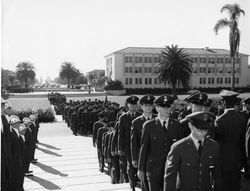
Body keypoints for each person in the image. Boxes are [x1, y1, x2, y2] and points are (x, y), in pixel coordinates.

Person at [164, 111, 222, 191]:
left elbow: (217, 174)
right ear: (190, 126)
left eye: (205, 129)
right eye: (199, 129)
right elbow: (170, 177)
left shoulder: (213, 146)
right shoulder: (178, 147)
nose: (202, 132)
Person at [138, 94, 182, 191]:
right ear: (157, 108)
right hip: (153, 169)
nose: (166, 109)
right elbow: (144, 148)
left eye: (168, 107)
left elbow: (180, 149)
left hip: (171, 169)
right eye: (163, 107)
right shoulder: (149, 125)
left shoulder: (176, 125)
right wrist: (140, 169)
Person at [214, 90, 247, 191]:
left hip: (223, 160)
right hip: (237, 160)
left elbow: (216, 141)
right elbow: (243, 141)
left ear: (223, 103)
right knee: (235, 186)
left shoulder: (219, 120)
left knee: (223, 186)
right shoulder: (242, 119)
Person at [131, 95, 157, 191]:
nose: (148, 107)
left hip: (156, 156)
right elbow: (134, 142)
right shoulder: (136, 122)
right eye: (146, 105)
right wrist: (134, 159)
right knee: (144, 183)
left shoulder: (158, 119)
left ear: (153, 106)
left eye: (150, 105)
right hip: (143, 157)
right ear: (141, 106)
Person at [118, 95, 141, 191]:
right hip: (128, 147)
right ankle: (132, 186)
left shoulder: (140, 116)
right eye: (131, 105)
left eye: (135, 104)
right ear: (127, 105)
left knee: (140, 165)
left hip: (140, 146)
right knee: (131, 166)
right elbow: (120, 133)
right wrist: (119, 148)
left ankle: (141, 183)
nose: (133, 106)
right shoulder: (123, 118)